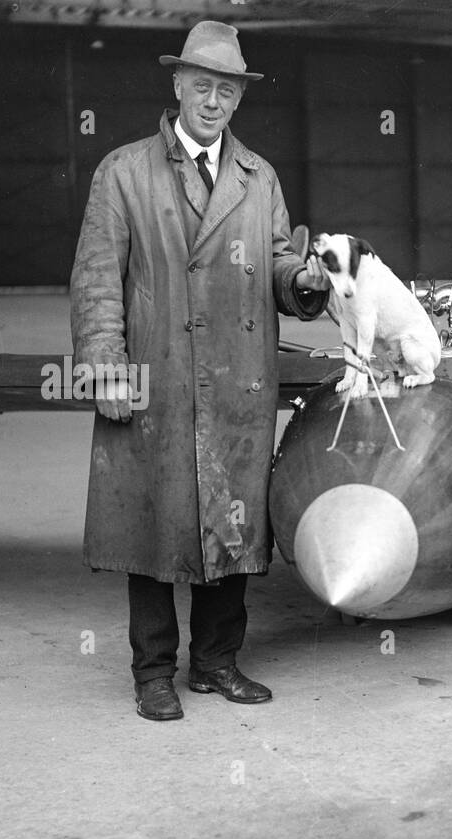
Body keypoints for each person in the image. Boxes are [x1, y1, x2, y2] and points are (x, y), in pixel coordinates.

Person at [71, 21, 330, 721]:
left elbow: (277, 264)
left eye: (228, 90)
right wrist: (107, 366)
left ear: (239, 99)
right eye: (203, 85)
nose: (214, 101)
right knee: (149, 525)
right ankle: (153, 672)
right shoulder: (123, 172)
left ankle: (217, 662)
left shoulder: (259, 177)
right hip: (157, 373)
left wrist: (303, 281)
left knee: (232, 519)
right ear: (177, 85)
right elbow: (97, 279)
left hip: (237, 376)